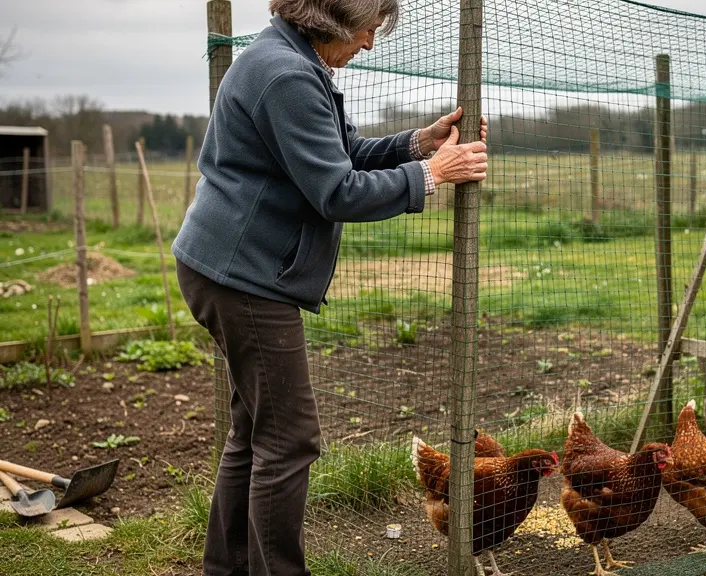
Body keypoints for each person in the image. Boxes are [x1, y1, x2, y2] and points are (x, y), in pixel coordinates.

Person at [171, 1, 488, 574]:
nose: (369, 43)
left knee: (255, 431)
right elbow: (337, 191)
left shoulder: (288, 60)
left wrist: (421, 143)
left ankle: (228, 568)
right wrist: (433, 174)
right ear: (333, 19)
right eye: (366, 29)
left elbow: (342, 155)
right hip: (245, 278)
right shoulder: (287, 75)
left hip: (231, 268)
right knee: (289, 440)